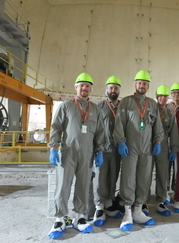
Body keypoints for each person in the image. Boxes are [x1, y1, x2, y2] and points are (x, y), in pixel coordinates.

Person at [47, 73, 105, 239]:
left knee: (83, 185)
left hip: (87, 153)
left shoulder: (95, 109)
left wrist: (99, 151)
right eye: (81, 85)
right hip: (68, 151)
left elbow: (100, 132)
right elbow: (56, 127)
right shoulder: (66, 106)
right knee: (62, 186)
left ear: (91, 89)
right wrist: (53, 147)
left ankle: (79, 217)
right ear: (76, 87)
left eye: (87, 86)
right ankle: (59, 219)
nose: (84, 88)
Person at [113, 70, 164, 231]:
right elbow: (119, 123)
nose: (142, 86)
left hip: (147, 148)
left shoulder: (152, 104)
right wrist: (121, 141)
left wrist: (158, 141)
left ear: (148, 86)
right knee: (128, 178)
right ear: (135, 85)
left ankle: (138, 210)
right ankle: (127, 213)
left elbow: (157, 125)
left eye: (145, 83)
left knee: (144, 178)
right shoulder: (126, 102)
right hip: (130, 146)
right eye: (139, 83)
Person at [92, 76, 122, 227]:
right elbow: (95, 129)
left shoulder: (122, 107)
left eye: (116, 88)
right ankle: (99, 207)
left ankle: (109, 203)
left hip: (118, 149)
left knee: (113, 175)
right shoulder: (99, 107)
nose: (113, 90)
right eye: (110, 88)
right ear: (106, 91)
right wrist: (96, 148)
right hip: (102, 149)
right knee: (101, 177)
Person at [154, 85, 179, 216]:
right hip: (148, 145)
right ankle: (143, 201)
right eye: (160, 96)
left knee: (162, 174)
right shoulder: (151, 109)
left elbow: (174, 132)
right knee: (145, 174)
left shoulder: (170, 113)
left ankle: (161, 199)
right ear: (157, 97)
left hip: (163, 147)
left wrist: (174, 149)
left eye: (165, 96)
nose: (163, 98)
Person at [165, 82, 179, 202]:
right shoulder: (166, 107)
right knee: (165, 169)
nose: (176, 94)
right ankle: (165, 192)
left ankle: (176, 193)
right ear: (170, 95)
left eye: (178, 92)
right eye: (174, 93)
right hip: (166, 143)